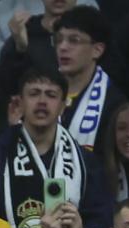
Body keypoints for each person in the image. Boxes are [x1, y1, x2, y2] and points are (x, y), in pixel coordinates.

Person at [0, 68, 114, 228]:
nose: (42, 102)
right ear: (19, 103)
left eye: (51, 95)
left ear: (63, 106)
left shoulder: (85, 163)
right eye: (34, 93)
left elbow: (99, 218)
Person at [49, 6, 124, 156]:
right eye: (59, 39)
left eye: (74, 40)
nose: (63, 47)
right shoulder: (42, 91)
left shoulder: (114, 103)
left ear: (97, 50)